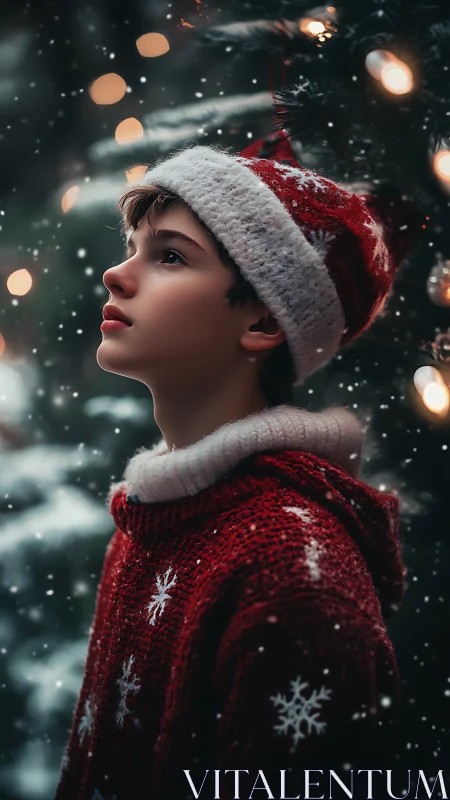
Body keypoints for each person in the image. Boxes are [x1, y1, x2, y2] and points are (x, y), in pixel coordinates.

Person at [53, 130, 425, 800]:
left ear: (261, 322)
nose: (117, 273)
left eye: (169, 256)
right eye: (132, 247)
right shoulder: (152, 519)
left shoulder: (290, 575)